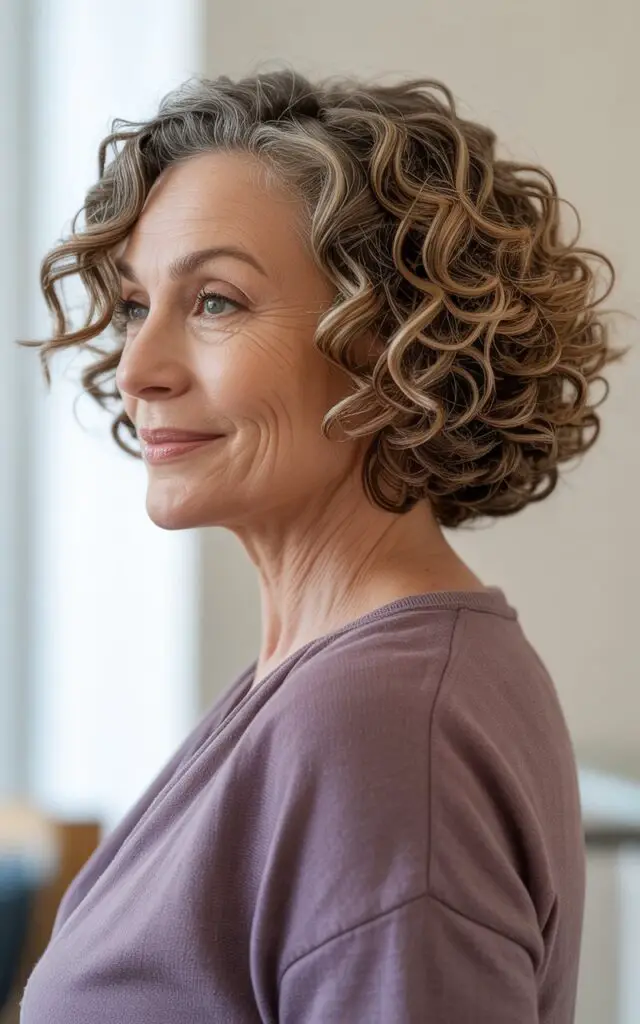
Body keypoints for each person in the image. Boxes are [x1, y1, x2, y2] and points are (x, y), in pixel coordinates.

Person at [18, 66, 625, 1023]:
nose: (137, 367)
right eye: (137, 304)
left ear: (394, 342)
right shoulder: (332, 683)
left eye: (215, 301)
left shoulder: (376, 727)